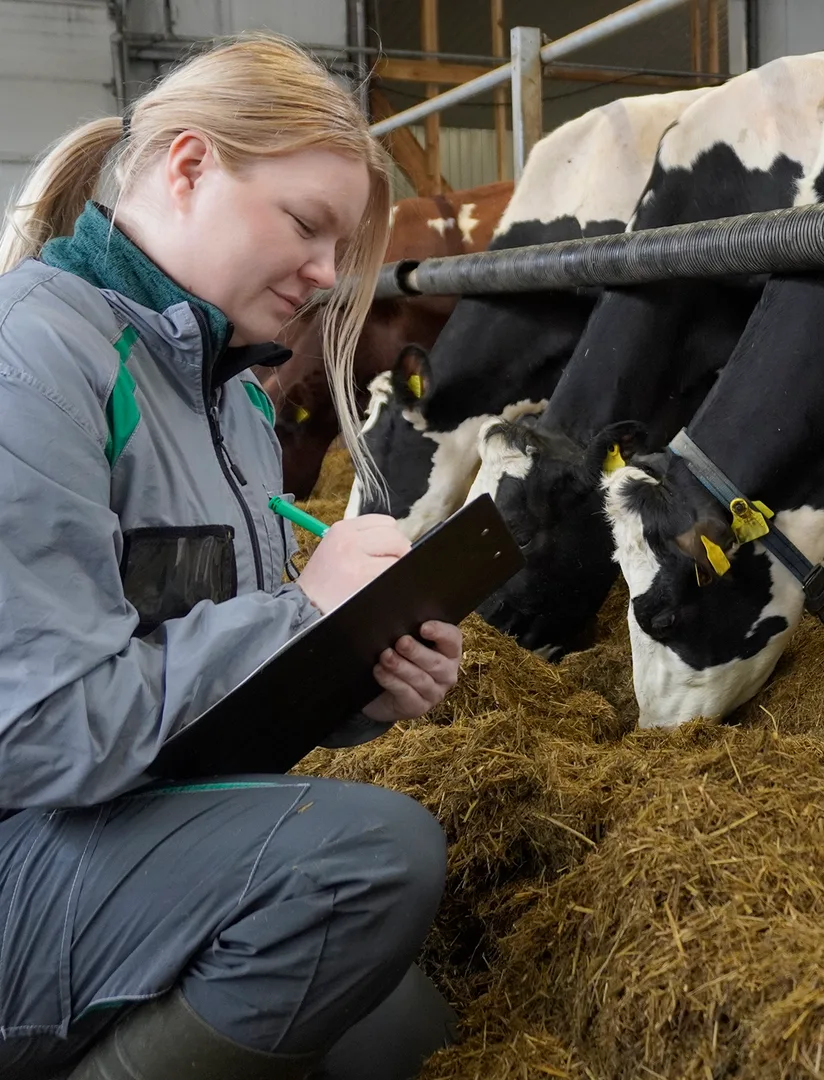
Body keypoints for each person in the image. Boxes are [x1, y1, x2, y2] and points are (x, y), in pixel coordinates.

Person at [0, 33, 466, 1080]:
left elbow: (218, 686)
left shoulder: (233, 401)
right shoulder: (31, 363)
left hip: (116, 822)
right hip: (22, 843)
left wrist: (358, 676)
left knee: (404, 1027)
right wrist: (304, 612)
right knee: (367, 863)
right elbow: (32, 733)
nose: (325, 276)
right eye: (308, 226)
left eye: (340, 247)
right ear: (190, 165)